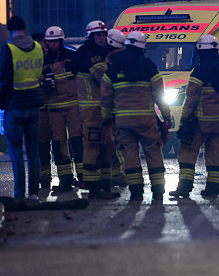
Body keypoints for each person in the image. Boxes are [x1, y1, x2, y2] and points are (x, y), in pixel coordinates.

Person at [101, 31, 171, 201]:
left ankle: (136, 193)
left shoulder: (114, 66)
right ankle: (158, 192)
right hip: (146, 119)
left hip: (123, 120)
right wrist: (166, 115)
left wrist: (106, 118)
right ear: (142, 48)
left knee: (130, 154)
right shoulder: (148, 66)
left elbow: (106, 96)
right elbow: (159, 94)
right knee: (153, 152)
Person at [169, 35, 219, 198]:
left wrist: (183, 121)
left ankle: (184, 188)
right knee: (214, 156)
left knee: (187, 152)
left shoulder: (199, 72)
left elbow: (191, 98)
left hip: (200, 121)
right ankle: (213, 189)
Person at [0, 16, 44, 199]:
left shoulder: (9, 49)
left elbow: (2, 81)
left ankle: (20, 193)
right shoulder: (38, 47)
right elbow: (39, 75)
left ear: (10, 30)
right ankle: (34, 193)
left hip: (14, 107)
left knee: (15, 151)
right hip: (34, 105)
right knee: (33, 151)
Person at [71, 20, 118, 200]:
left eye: (104, 34)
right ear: (90, 37)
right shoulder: (91, 56)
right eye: (98, 34)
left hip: (101, 109)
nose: (102, 37)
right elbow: (105, 78)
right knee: (93, 147)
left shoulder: (98, 53)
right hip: (92, 110)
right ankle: (94, 188)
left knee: (107, 147)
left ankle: (105, 186)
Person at [42, 26, 82, 192]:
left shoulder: (72, 56)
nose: (53, 45)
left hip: (73, 105)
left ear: (61, 40)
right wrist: (43, 85)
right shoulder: (43, 61)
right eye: (50, 42)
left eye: (56, 41)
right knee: (59, 145)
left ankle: (83, 178)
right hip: (54, 108)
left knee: (77, 141)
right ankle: (65, 179)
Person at [105, 28, 127, 189]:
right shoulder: (127, 60)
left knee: (115, 143)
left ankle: (118, 174)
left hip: (114, 108)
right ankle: (120, 174)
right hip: (124, 107)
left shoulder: (111, 61)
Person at [32, 32, 54, 189]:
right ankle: (44, 178)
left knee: (60, 144)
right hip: (40, 110)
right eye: (43, 42)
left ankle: (66, 176)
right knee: (43, 145)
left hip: (54, 108)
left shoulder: (51, 59)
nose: (46, 46)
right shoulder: (32, 62)